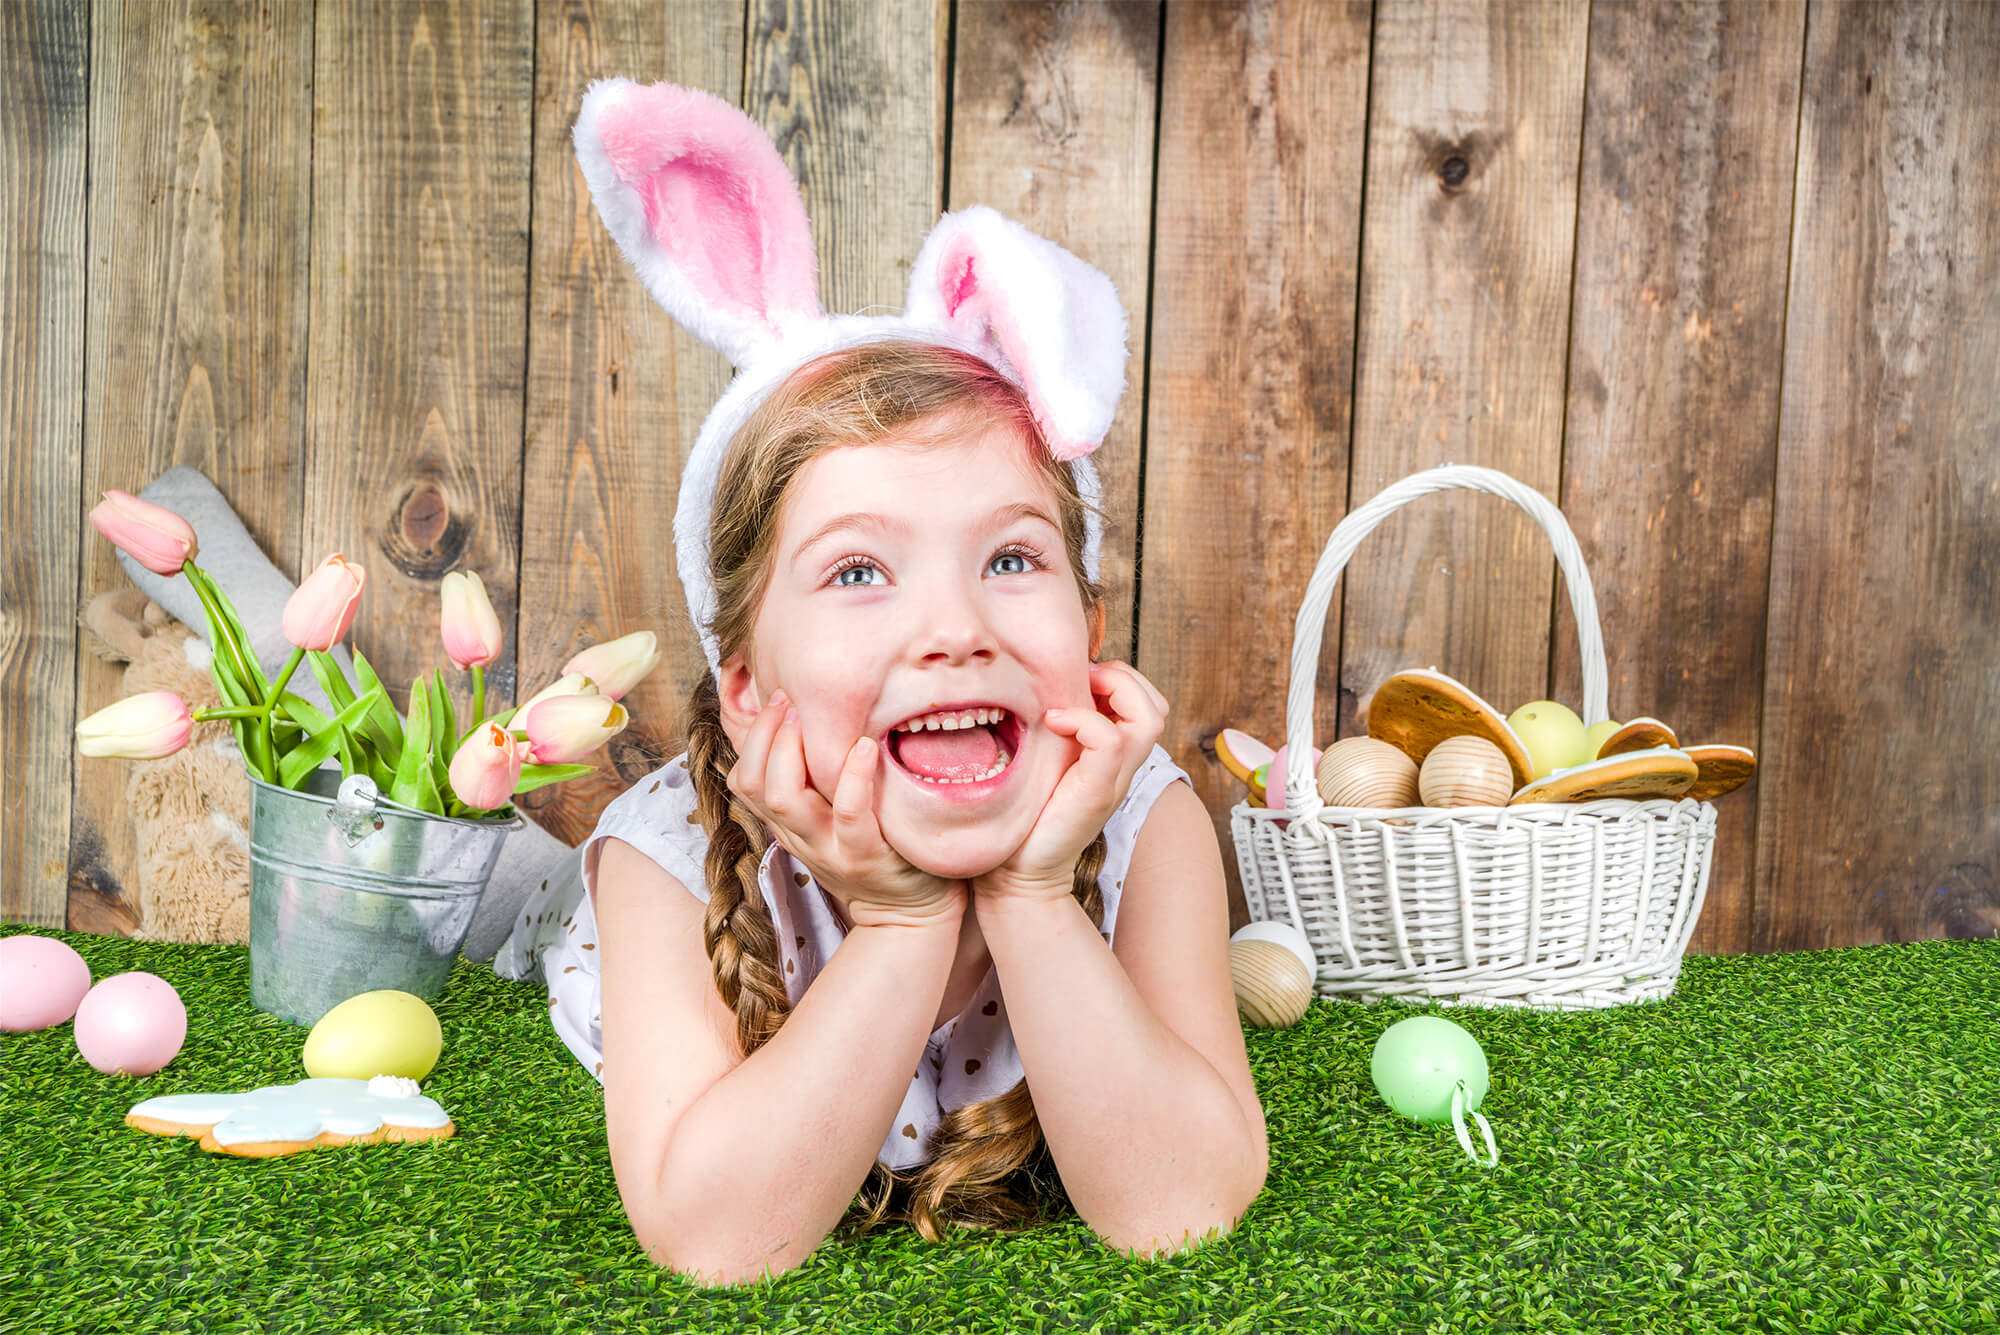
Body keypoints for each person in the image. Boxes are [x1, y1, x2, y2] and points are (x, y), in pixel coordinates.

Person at [519, 78, 1267, 1288]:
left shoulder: (1142, 821)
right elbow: (717, 1242)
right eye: (859, 570)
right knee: (508, 901)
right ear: (747, 682)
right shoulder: (663, 852)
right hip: (570, 920)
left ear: (1087, 631)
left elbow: (1177, 1209)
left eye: (1010, 559)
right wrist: (905, 921)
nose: (953, 628)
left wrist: (1031, 895)